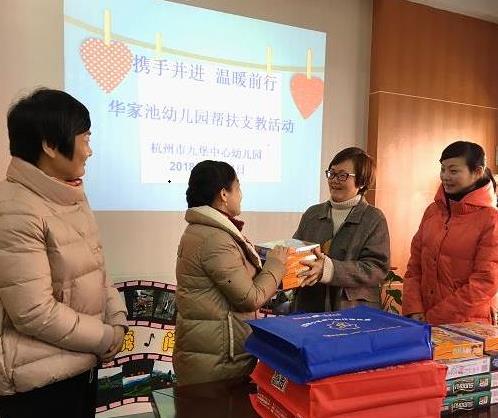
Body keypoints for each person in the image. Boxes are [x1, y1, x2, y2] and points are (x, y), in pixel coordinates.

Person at [0, 89, 128, 418]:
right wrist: (104, 337)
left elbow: (97, 269)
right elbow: (33, 311)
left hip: (79, 368)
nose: (89, 151)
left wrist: (117, 320)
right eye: (85, 139)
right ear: (50, 145)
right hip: (38, 385)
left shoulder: (71, 194)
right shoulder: (16, 209)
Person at [173, 160, 288, 386]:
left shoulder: (206, 231)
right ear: (224, 194)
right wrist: (276, 264)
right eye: (238, 187)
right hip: (218, 362)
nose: (241, 195)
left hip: (211, 354)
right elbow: (249, 298)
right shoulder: (215, 238)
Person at [403, 141, 498, 325]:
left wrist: (434, 317)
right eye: (443, 169)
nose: (445, 176)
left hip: (467, 326)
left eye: (453, 171)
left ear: (477, 172)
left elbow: (485, 282)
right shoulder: (433, 211)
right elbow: (414, 266)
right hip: (423, 321)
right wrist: (414, 309)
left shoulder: (491, 219)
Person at [292, 147, 390, 312]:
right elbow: (296, 251)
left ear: (362, 181)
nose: (334, 180)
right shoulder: (312, 213)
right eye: (331, 173)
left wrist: (330, 269)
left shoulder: (373, 218)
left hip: (352, 310)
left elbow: (377, 268)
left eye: (342, 175)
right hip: (309, 306)